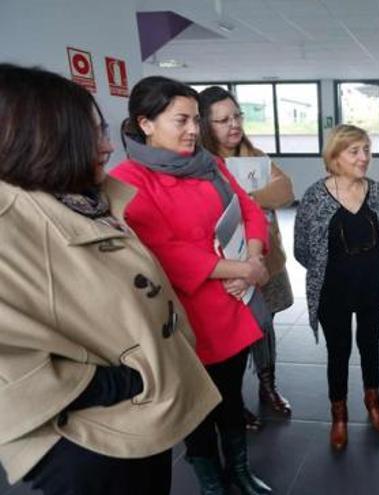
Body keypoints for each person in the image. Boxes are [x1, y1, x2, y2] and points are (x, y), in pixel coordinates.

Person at [0, 64, 219, 494]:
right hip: (87, 437)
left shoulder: (78, 199)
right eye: (92, 135)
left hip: (137, 414)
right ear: (45, 138)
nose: (105, 146)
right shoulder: (11, 222)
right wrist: (125, 381)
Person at [111, 76, 272, 495]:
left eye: (195, 120)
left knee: (232, 397)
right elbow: (163, 251)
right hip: (183, 315)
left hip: (232, 304)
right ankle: (211, 482)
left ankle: (238, 469)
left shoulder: (210, 164)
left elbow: (250, 210)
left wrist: (253, 260)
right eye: (181, 120)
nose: (192, 130)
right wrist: (238, 268)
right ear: (145, 123)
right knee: (196, 407)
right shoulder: (129, 179)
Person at [293, 124, 379, 451]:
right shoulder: (315, 196)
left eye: (367, 150)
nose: (364, 157)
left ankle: (373, 403)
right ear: (335, 156)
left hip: (374, 285)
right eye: (355, 151)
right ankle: (338, 415)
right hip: (333, 291)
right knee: (338, 351)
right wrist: (329, 270)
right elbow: (302, 248)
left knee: (371, 345)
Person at [199, 86, 295, 429]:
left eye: (236, 116)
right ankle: (232, 401)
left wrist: (242, 198)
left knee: (265, 325)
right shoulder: (200, 164)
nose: (233, 125)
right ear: (205, 125)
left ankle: (268, 387)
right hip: (225, 267)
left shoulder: (254, 155)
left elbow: (285, 190)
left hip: (263, 258)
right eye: (222, 120)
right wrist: (255, 201)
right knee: (232, 337)